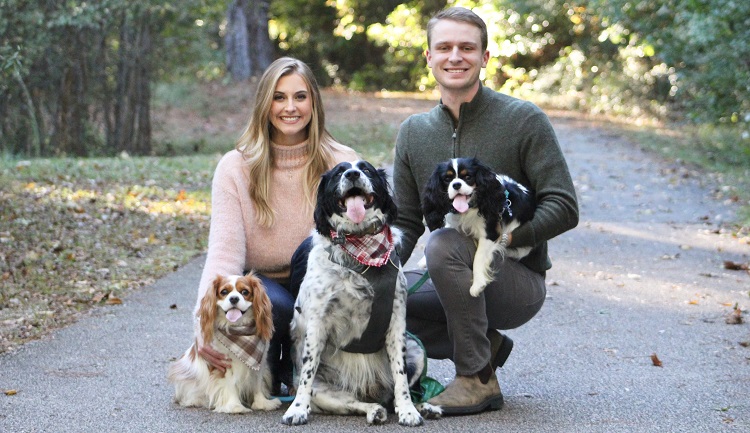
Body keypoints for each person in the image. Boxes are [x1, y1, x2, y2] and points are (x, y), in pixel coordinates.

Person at [392, 7, 579, 415]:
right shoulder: (413, 132)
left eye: (466, 47)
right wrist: (378, 269)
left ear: (485, 57)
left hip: (515, 281)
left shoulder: (523, 119)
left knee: (443, 242)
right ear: (428, 57)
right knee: (376, 300)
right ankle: (485, 344)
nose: (455, 56)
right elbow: (405, 221)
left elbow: (564, 206)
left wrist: (507, 238)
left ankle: (476, 378)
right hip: (454, 276)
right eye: (444, 47)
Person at [193, 57, 358, 395]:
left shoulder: (342, 162)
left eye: (300, 96)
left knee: (315, 245)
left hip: (323, 283)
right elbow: (224, 255)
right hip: (265, 287)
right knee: (272, 302)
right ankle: (277, 363)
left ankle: (316, 362)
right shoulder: (235, 167)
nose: (290, 107)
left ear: (314, 102)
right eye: (279, 97)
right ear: (264, 103)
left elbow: (356, 242)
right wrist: (203, 323)